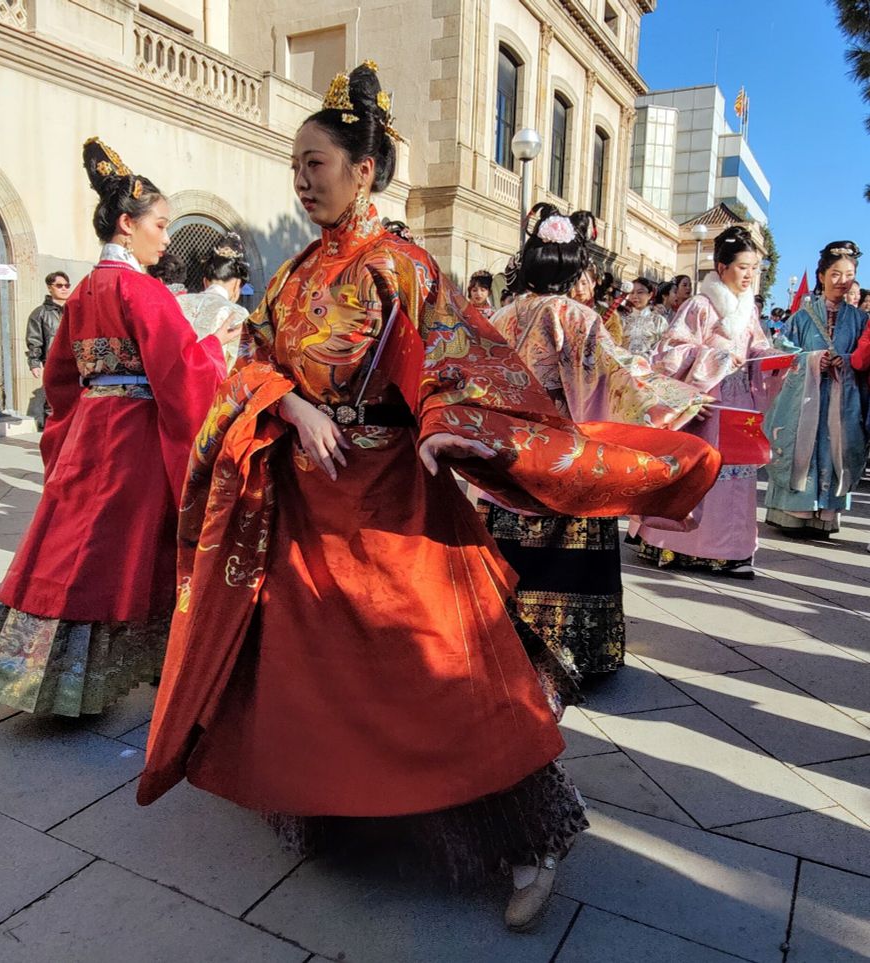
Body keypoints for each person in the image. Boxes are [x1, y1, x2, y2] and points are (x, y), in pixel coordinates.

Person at [137, 62, 720, 931]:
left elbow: (459, 359)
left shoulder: (404, 267)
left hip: (391, 501)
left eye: (318, 163)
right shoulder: (295, 274)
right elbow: (250, 361)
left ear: (363, 169)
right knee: (311, 671)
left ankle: (530, 839)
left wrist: (451, 421)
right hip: (305, 505)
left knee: (444, 670)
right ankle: (340, 802)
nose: (302, 178)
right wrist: (292, 404)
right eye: (295, 164)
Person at [0, 138, 232, 716]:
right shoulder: (144, 292)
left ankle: (46, 674)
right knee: (127, 547)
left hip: (90, 428)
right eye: (160, 224)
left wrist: (73, 424)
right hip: (133, 435)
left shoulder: (83, 289)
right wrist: (214, 347)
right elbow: (180, 375)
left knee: (70, 541)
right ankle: (133, 664)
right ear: (128, 225)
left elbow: (61, 379)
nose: (166, 235)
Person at [484, 206, 709, 677]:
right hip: (560, 448)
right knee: (571, 536)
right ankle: (573, 648)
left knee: (506, 547)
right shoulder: (573, 315)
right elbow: (616, 376)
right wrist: (679, 399)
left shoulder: (500, 316)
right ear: (574, 269)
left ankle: (503, 641)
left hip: (507, 450)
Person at [634, 226, 784, 578]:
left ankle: (732, 549)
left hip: (737, 401)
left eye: (755, 268)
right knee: (700, 472)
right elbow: (670, 352)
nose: (750, 275)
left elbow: (756, 347)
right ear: (721, 267)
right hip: (703, 402)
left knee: (737, 478)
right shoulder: (699, 305)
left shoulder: (748, 309)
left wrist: (774, 357)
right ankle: (678, 546)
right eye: (743, 266)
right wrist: (712, 357)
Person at [765, 241, 868, 538]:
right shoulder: (801, 317)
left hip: (842, 399)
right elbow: (781, 352)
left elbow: (864, 357)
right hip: (804, 398)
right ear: (822, 276)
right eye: (835, 274)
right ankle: (793, 514)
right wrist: (811, 360)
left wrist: (846, 361)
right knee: (802, 447)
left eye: (848, 274)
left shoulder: (861, 320)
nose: (842, 281)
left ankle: (825, 515)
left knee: (836, 447)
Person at [179, 232, 251, 368]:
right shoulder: (236, 312)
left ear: (205, 281)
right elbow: (239, 365)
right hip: (212, 385)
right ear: (237, 284)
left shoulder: (179, 301)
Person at [26, 271, 71, 427]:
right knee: (53, 400)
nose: (64, 289)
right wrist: (34, 362)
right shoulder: (40, 313)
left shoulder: (75, 310)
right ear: (49, 288)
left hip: (77, 361)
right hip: (54, 361)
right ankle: (51, 438)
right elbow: (34, 339)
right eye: (59, 285)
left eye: (67, 285)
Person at [620, 277, 670, 360]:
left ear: (650, 295)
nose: (635, 296)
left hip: (650, 367)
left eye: (640, 292)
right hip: (624, 367)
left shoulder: (658, 321)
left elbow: (663, 347)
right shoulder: (622, 320)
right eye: (632, 293)